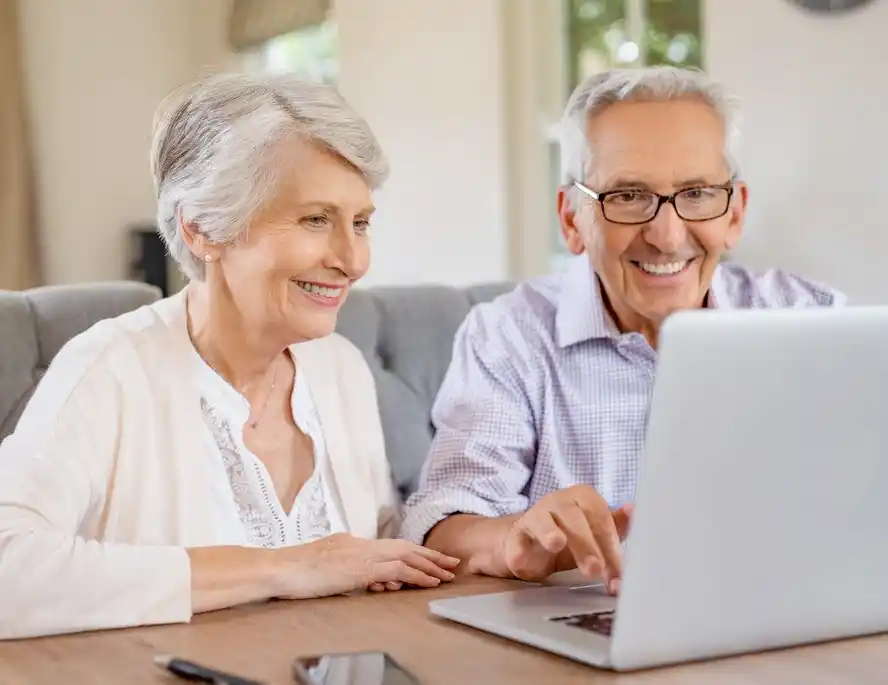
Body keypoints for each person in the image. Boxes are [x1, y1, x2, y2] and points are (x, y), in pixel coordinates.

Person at [0, 73, 458, 640]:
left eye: (360, 223)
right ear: (202, 229)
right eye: (316, 219)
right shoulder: (109, 369)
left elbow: (370, 555)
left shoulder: (339, 368)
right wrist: (289, 568)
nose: (353, 259)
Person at [400, 66, 845, 594]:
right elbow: (445, 523)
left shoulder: (812, 318)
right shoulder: (508, 336)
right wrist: (514, 540)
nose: (666, 235)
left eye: (698, 192)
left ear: (735, 213)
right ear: (572, 220)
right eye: (628, 196)